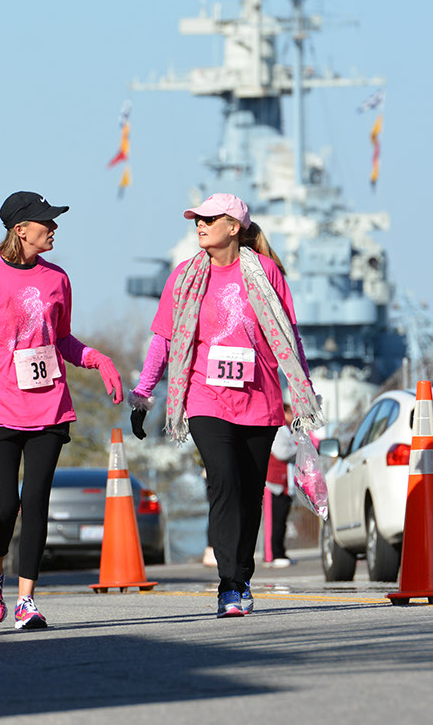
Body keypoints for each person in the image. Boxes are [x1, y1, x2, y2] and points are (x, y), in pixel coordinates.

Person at [129, 193, 323, 617]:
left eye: (209, 219)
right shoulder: (184, 276)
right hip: (205, 397)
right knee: (223, 483)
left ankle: (244, 575)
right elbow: (163, 338)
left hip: (260, 398)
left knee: (251, 494)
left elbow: (290, 337)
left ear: (234, 226)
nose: (199, 225)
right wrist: (144, 394)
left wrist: (303, 393)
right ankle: (227, 586)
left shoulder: (266, 271)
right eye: (196, 219)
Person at [0, 192, 124, 629]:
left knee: (38, 501)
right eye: (47, 221)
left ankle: (27, 600)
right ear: (20, 229)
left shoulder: (57, 279)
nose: (55, 228)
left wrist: (96, 358)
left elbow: (61, 340)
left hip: (49, 406)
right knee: (5, 503)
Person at [265, 402, 297, 568]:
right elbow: (281, 452)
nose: (293, 416)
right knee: (277, 521)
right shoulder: (278, 430)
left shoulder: (286, 430)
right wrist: (297, 448)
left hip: (285, 483)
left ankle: (281, 552)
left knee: (282, 521)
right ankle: (275, 554)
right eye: (290, 412)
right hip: (276, 483)